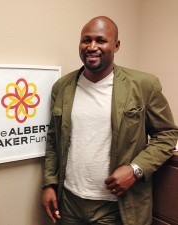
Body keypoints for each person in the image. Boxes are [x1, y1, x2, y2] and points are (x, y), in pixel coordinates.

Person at [42, 16, 178, 225]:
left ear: (116, 45)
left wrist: (135, 169)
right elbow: (53, 140)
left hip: (118, 207)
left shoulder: (143, 85)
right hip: (69, 202)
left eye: (101, 40)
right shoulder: (62, 87)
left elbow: (167, 134)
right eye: (86, 40)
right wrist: (49, 184)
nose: (92, 47)